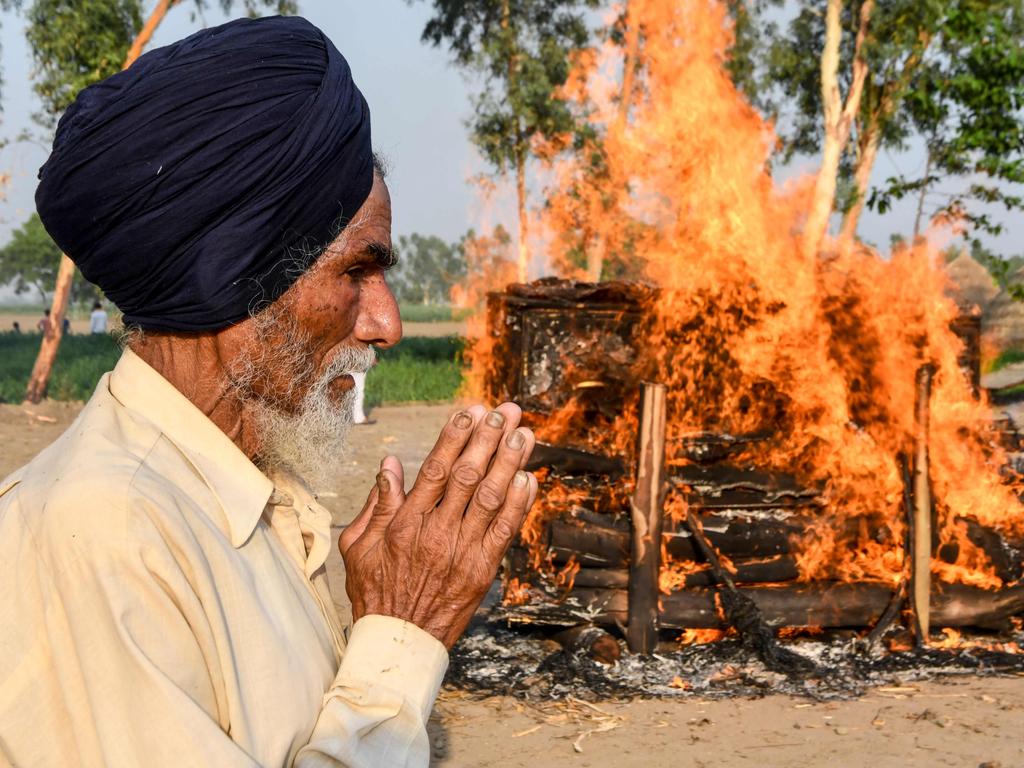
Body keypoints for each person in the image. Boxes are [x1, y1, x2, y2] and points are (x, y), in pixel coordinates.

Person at [0, 17, 537, 768]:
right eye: (355, 272)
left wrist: (373, 618)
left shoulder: (247, 495)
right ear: (232, 276)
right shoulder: (101, 533)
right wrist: (400, 647)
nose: (387, 324)